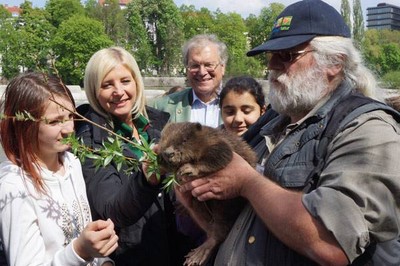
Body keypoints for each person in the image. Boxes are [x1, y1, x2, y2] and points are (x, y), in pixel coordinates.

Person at [176, 0, 400, 265]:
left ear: (335, 63)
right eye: (271, 56)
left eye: (287, 56)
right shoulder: (274, 120)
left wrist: (248, 183)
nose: (272, 66)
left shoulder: (369, 129)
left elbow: (331, 243)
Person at [75, 46, 194, 266]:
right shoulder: (91, 141)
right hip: (132, 257)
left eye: (125, 81)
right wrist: (146, 180)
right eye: (107, 84)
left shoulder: (156, 126)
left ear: (136, 82)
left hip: (171, 251)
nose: (118, 91)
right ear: (93, 90)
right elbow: (110, 211)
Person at [0, 72, 118, 265]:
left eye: (70, 116)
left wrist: (101, 259)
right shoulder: (15, 186)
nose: (68, 129)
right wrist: (80, 251)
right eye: (54, 121)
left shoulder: (72, 163)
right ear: (25, 125)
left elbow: (81, 234)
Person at [149, 34, 228, 128]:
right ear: (186, 69)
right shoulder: (160, 107)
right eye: (194, 65)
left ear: (222, 68)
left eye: (208, 65)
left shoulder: (239, 107)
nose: (202, 72)